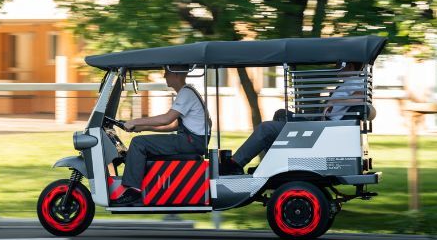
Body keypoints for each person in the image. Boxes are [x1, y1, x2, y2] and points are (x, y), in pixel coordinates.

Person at [221, 62, 366, 175]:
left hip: (324, 131)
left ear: (350, 66)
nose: (336, 68)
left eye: (339, 65)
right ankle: (268, 164)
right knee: (280, 113)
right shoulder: (349, 83)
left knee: (266, 128)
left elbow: (360, 98)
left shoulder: (355, 81)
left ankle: (235, 164)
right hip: (322, 127)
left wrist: (334, 102)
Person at [112, 65, 209, 205]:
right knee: (142, 143)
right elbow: (173, 125)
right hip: (192, 140)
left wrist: (135, 121)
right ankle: (146, 187)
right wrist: (142, 127)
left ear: (176, 74)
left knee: (139, 143)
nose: (164, 76)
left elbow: (166, 119)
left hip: (191, 141)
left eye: (167, 72)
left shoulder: (186, 93)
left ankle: (133, 191)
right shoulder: (187, 92)